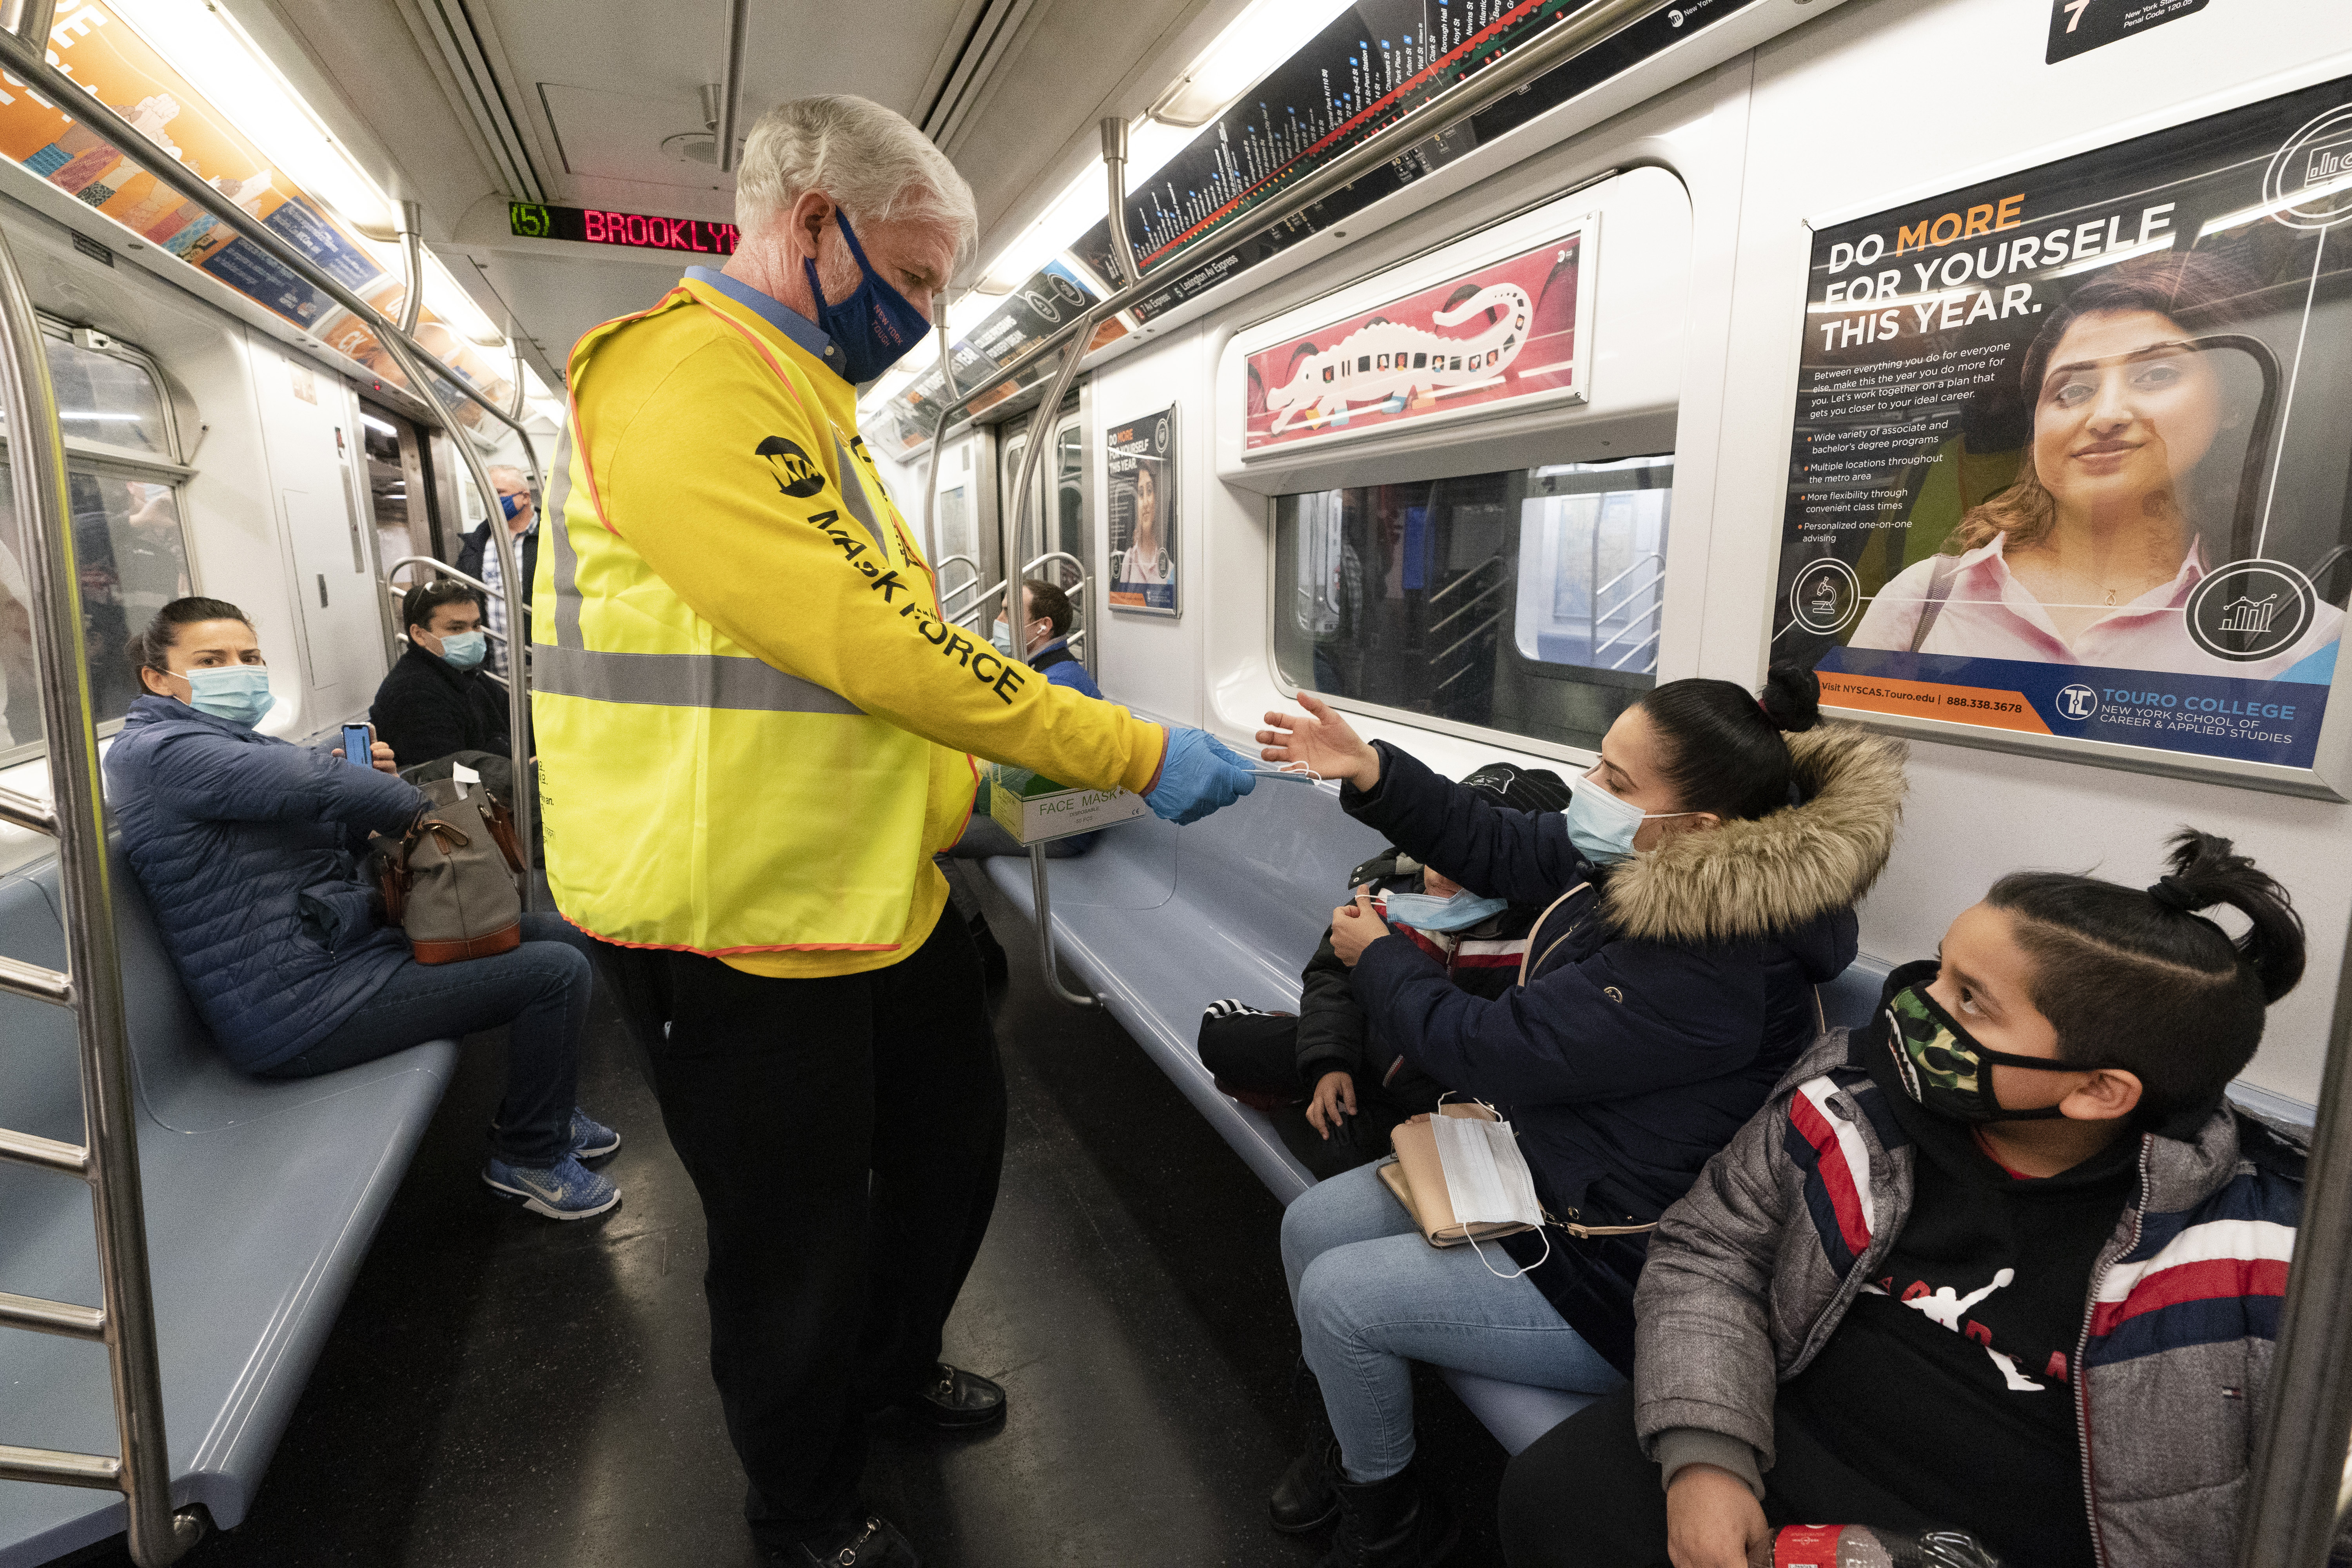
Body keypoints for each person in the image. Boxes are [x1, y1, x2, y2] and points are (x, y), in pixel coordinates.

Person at [529, 94, 1258, 1568]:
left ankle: (885, 1365)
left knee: (949, 1147)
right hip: (726, 903)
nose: (926, 315)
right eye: (916, 277)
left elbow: (854, 677)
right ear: (811, 224)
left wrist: (969, 790)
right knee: (788, 1241)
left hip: (868, 883)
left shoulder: (813, 404)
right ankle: (799, 1506)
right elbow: (875, 644)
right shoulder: (684, 385)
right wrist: (1121, 747)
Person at [1500, 831, 2312, 1568]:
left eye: (1970, 1000)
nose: (1916, 1006)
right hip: (1779, 1448)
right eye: (1941, 967)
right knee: (1554, 1493)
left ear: (2099, 1090)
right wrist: (1707, 1454)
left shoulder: (2273, 1263)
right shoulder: (1851, 1097)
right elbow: (1712, 1250)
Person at [1253, 670, 1907, 1566]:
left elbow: (1485, 1045)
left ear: (1700, 829)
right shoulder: (1651, 861)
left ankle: (1392, 1521)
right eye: (1600, 762)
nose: (1590, 793)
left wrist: (1376, 959)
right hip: (1548, 1172)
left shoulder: (1714, 965)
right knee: (1309, 1225)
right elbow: (1507, 841)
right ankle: (1350, 1433)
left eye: (1619, 782)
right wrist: (1371, 772)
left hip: (1618, 1264)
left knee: (1340, 1298)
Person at [103, 598, 621, 1220]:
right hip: (294, 1009)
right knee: (552, 976)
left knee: (560, 936)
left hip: (343, 957)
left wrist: (366, 793)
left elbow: (327, 838)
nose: (237, 670)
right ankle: (529, 1156)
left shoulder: (236, 748)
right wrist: (394, 799)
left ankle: (544, 1114)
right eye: (210, 661)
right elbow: (319, 787)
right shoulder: (156, 753)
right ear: (157, 679)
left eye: (250, 657)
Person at [1849, 252, 2343, 679]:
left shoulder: (2298, 638)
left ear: (2235, 401)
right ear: (2038, 424)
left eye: (2157, 375)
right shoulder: (1924, 603)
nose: (2105, 416)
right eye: (2073, 391)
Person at [1196, 762, 1572, 1180]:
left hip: (1431, 1095)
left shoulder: (1539, 944)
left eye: (1470, 859)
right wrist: (1329, 1062)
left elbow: (1505, 1056)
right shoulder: (1392, 889)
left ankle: (1290, 1091)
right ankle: (1302, 1062)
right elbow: (1332, 975)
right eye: (1438, 845)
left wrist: (1454, 1115)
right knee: (1222, 1041)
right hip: (1360, 1043)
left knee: (1342, 1156)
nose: (1442, 869)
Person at [371, 578, 508, 769]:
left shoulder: (466, 673)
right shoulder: (413, 693)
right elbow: (449, 776)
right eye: (456, 628)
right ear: (419, 635)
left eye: (476, 626)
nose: (473, 636)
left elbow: (525, 730)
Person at [457, 463, 537, 676]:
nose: (492, 500)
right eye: (487, 494)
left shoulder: (553, 538)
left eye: (500, 493)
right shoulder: (477, 544)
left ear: (525, 497)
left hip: (540, 663)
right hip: (491, 664)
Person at [1115, 461, 1170, 587]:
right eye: (1141, 494)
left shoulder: (1168, 566)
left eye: (1150, 491)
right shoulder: (1129, 559)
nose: (1145, 503)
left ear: (1158, 498)